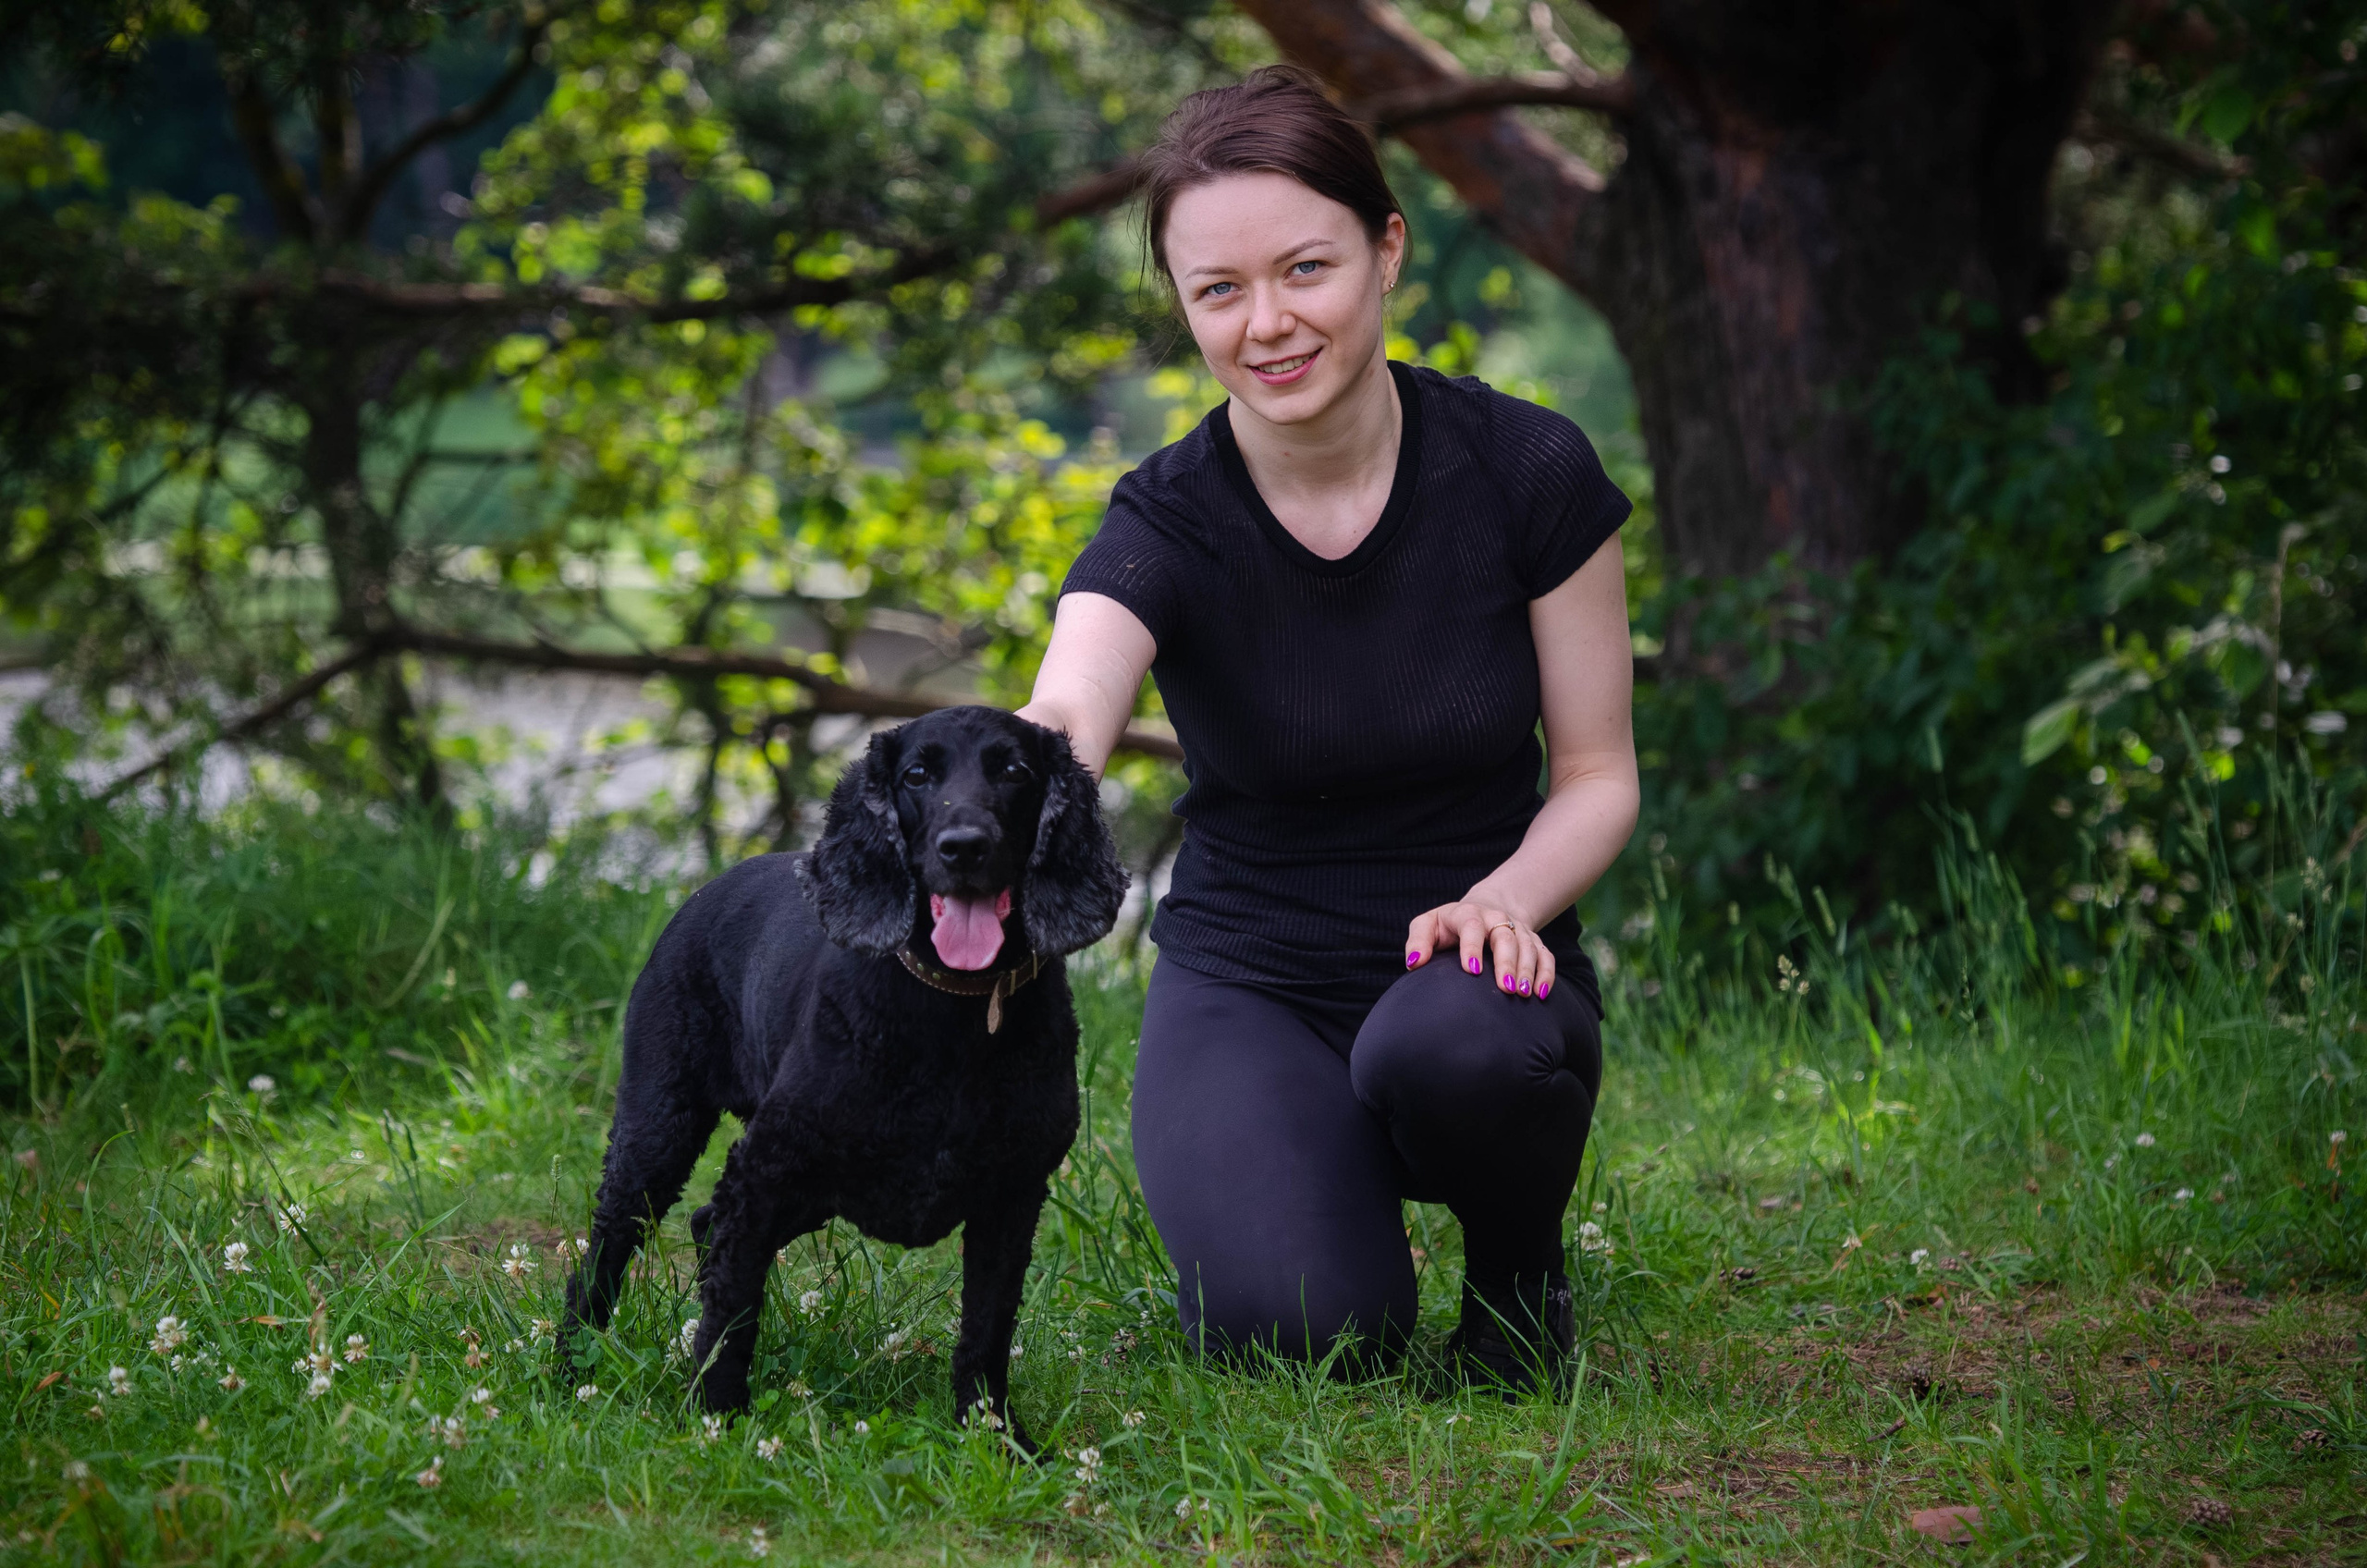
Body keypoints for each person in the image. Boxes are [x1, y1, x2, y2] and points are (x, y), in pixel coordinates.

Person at [1016, 65, 1637, 1390]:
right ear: (1184, 307)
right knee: (1303, 1333)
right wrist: (999, 796)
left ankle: (1519, 1281)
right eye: (1218, 291)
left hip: (1483, 979)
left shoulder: (1529, 473)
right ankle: (1315, 1192)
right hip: (1254, 980)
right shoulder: (1165, 519)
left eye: (1306, 268)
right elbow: (1069, 703)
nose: (1268, 323)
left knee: (1453, 1040)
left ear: (1387, 249)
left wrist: (1505, 902)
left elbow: (1596, 776)